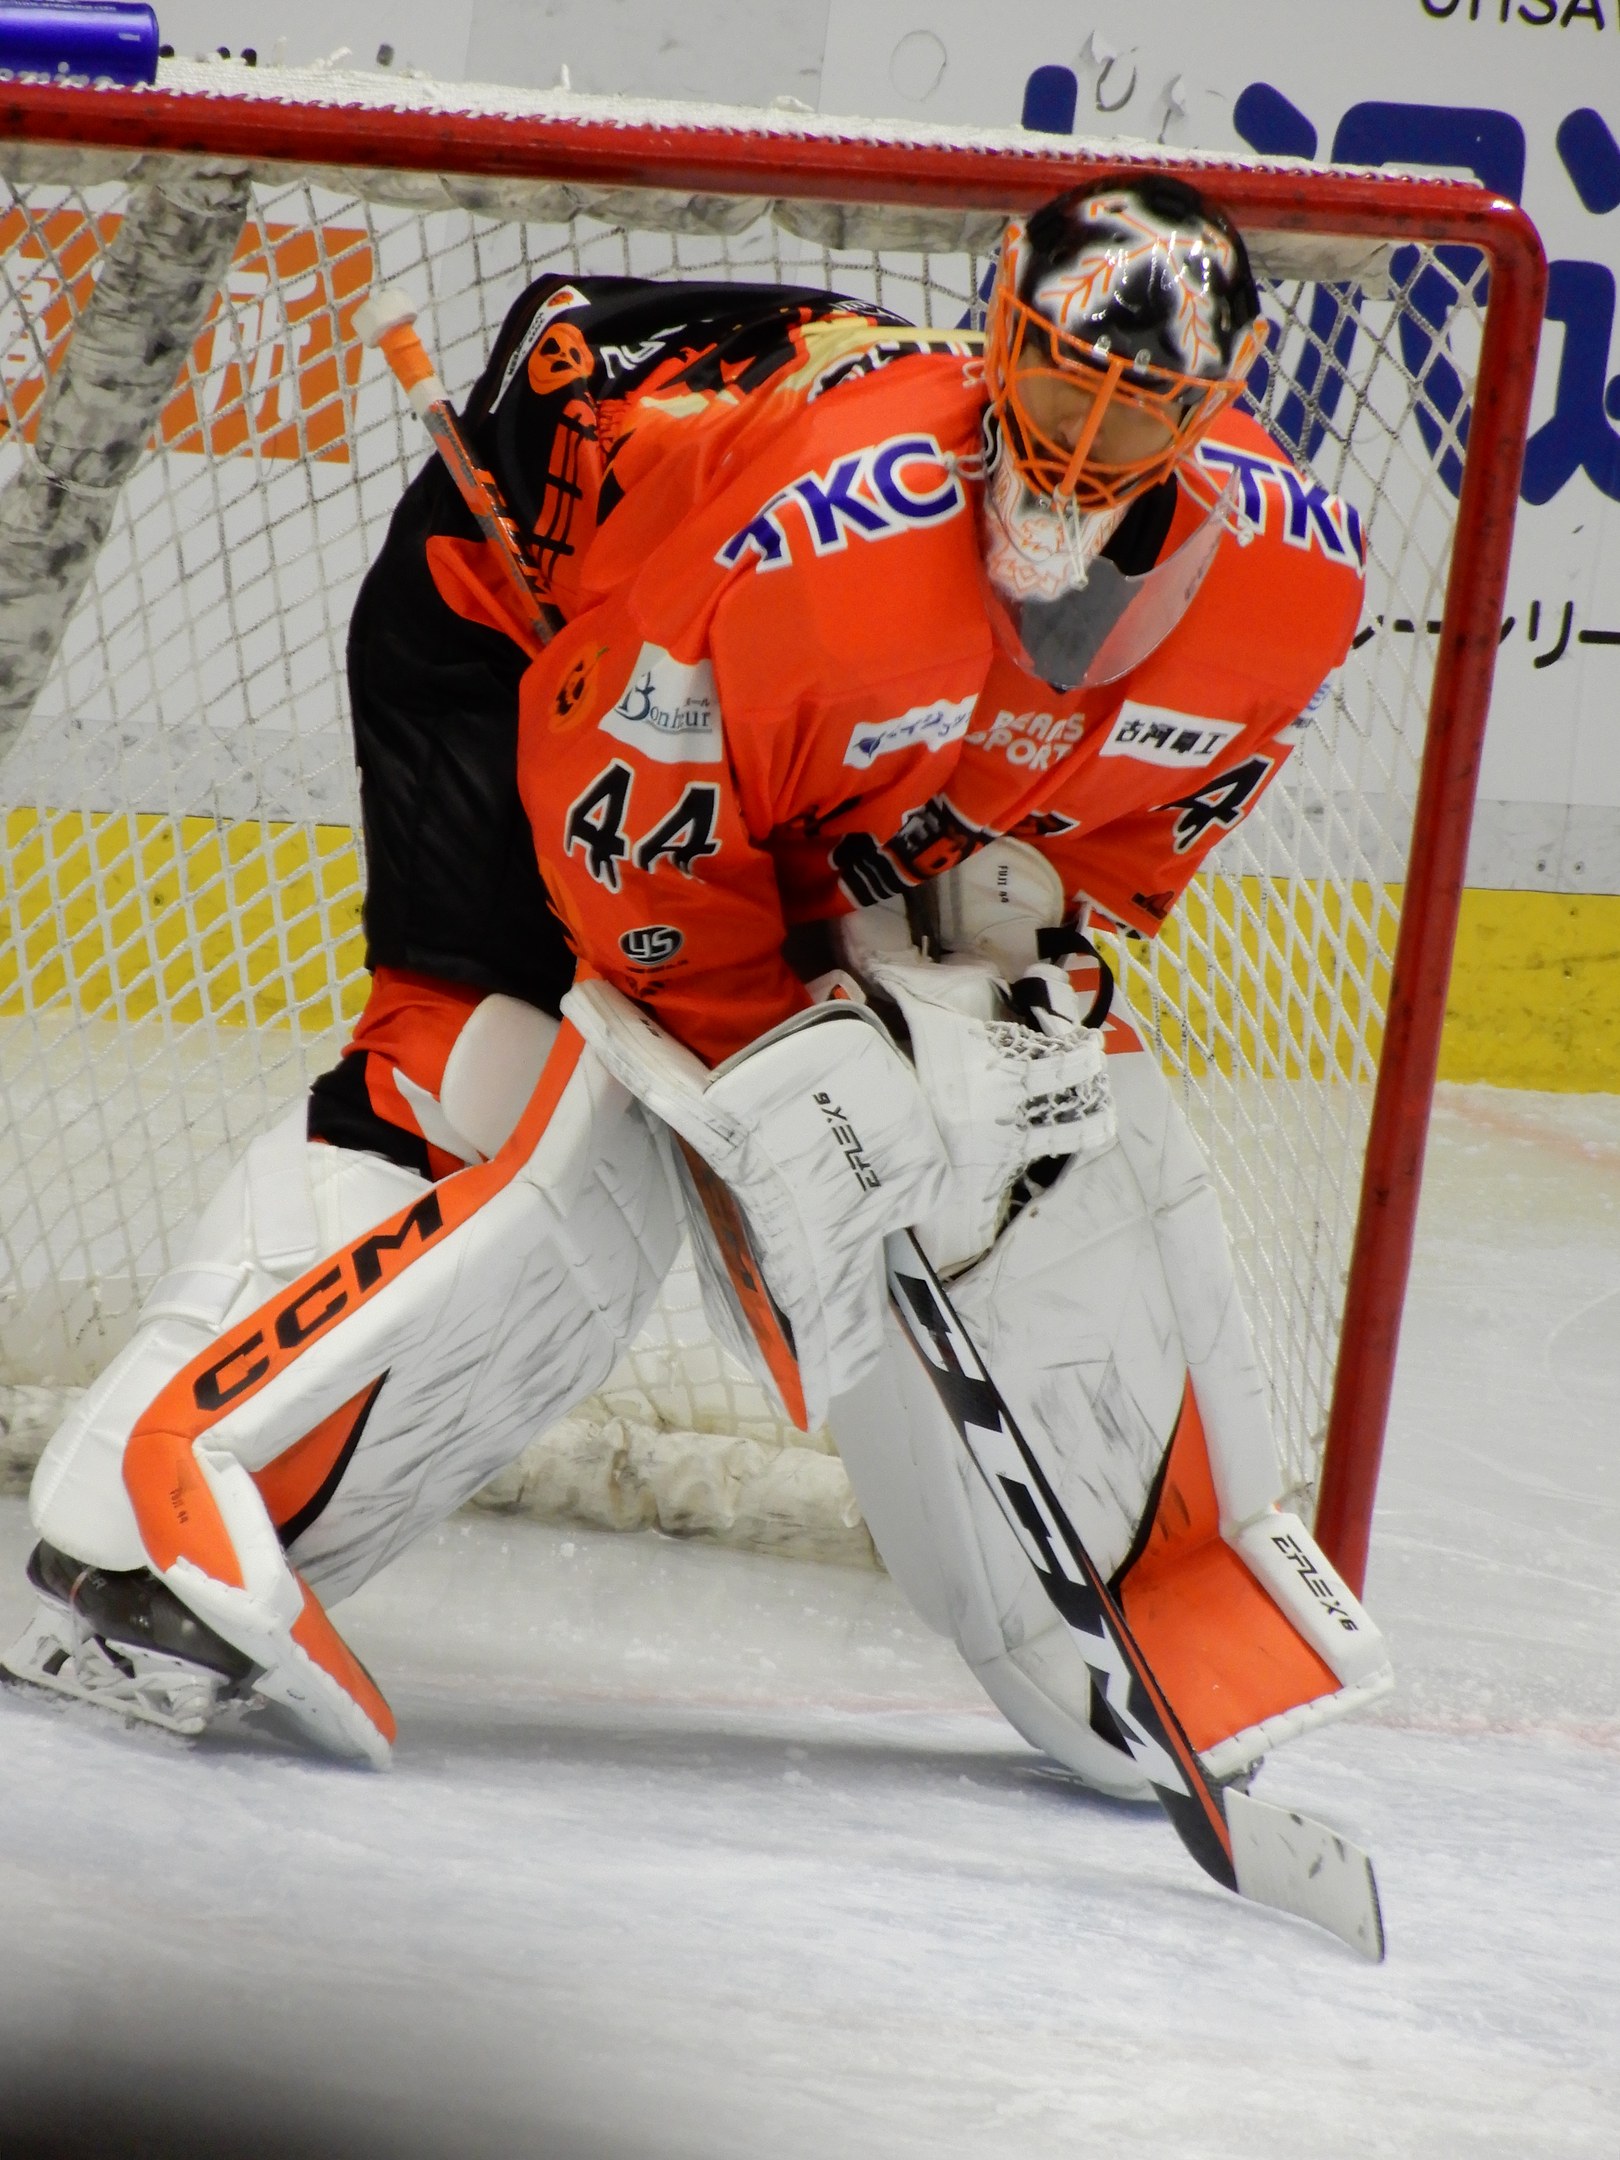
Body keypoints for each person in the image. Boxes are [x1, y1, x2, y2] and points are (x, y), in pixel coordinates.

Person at [4, 177, 1391, 1785]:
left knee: (1017, 1109)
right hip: (529, 620)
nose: (1085, 433)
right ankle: (130, 1539)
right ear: (999, 327)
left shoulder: (1293, 580)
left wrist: (974, 985)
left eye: (1140, 401)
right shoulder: (835, 530)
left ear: (1219, 403)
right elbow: (631, 848)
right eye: (1061, 373)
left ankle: (1111, 1605)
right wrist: (773, 1057)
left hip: (799, 734)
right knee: (526, 1103)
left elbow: (1095, 851)